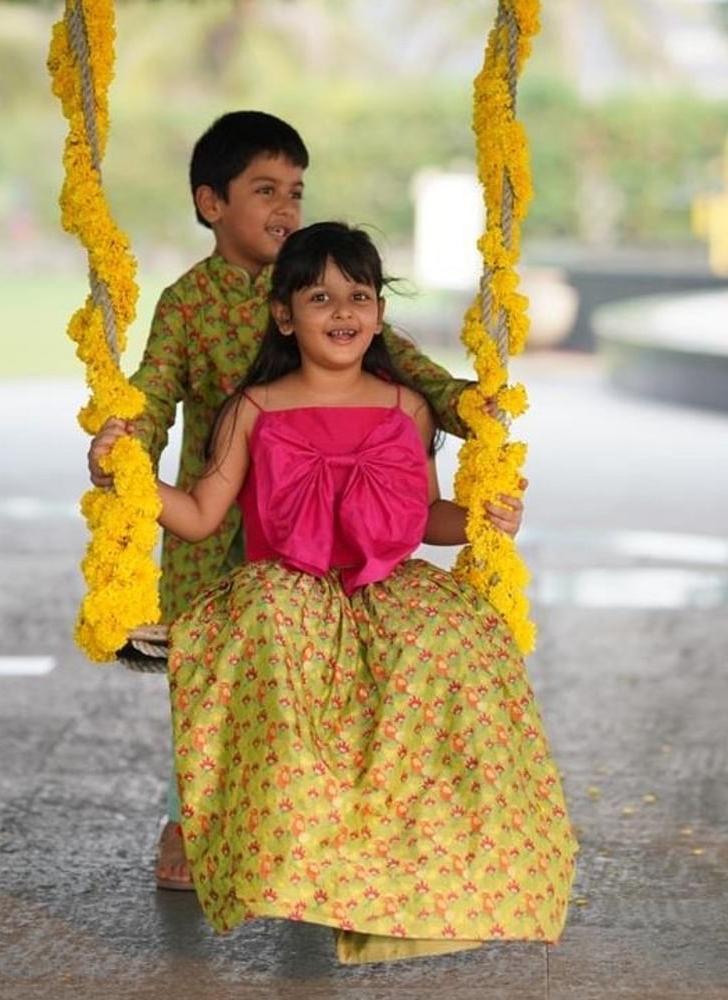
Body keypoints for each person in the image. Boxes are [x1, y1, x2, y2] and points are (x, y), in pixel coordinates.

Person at [143, 221, 576, 963]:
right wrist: (128, 482)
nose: (343, 311)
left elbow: (421, 517)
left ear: (379, 312)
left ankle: (441, 852)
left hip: (384, 585)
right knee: (275, 644)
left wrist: (480, 518)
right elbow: (202, 514)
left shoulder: (404, 407)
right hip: (289, 587)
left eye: (360, 295)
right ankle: (292, 856)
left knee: (452, 639)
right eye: (320, 297)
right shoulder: (254, 407)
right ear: (286, 315)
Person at [87, 111, 474, 890]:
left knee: (318, 678)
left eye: (296, 191)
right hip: (215, 522)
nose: (286, 208)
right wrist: (124, 452)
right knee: (207, 680)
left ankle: (315, 820)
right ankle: (191, 821)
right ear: (211, 204)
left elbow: (418, 379)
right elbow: (155, 394)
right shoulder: (187, 302)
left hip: (327, 528)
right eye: (265, 190)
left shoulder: (319, 287)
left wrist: (475, 413)